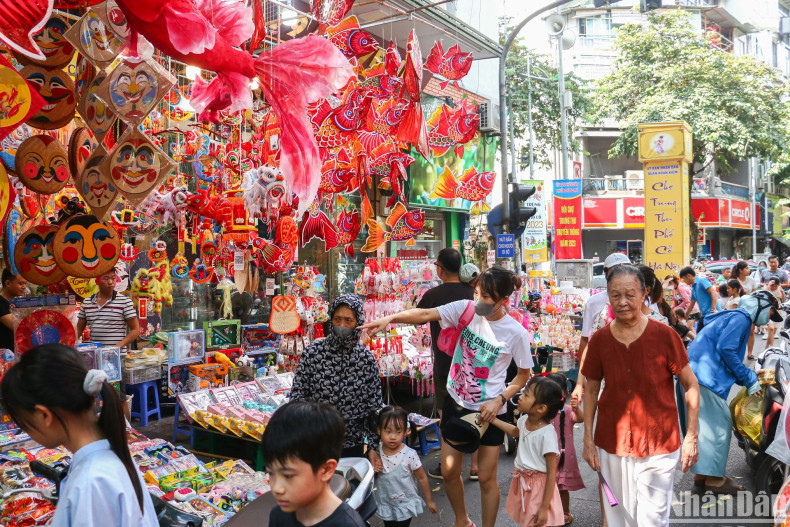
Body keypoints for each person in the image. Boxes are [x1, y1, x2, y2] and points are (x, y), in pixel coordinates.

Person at [361, 266, 533, 527]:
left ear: (504, 301)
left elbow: (523, 375)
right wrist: (391, 318)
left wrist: (500, 399)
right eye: (477, 293)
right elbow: (425, 313)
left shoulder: (516, 333)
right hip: (456, 403)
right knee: (451, 472)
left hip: (490, 412)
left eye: (486, 297)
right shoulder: (466, 309)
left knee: (487, 478)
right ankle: (462, 520)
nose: (478, 301)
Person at [582, 265, 700, 527]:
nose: (622, 302)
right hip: (612, 442)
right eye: (615, 295)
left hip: (659, 441)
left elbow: (690, 385)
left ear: (644, 293)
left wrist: (691, 436)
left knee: (651, 519)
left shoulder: (665, 335)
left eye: (629, 294)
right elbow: (591, 388)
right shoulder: (600, 340)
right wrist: (588, 439)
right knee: (618, 518)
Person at [0, 344, 158, 526]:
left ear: (44, 416)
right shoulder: (108, 460)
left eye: (23, 423)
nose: (25, 431)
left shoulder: (91, 482)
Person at [679, 291, 782, 495]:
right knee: (720, 425)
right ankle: (715, 481)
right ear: (760, 305)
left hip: (692, 375)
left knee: (702, 429)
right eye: (771, 312)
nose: (770, 318)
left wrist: (748, 374)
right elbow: (726, 349)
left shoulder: (730, 315)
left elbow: (723, 354)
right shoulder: (742, 318)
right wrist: (748, 378)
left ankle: (701, 479)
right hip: (704, 378)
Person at [291, 294, 383, 466]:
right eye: (337, 319)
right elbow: (298, 395)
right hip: (315, 443)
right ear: (331, 319)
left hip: (352, 445)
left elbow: (374, 407)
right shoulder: (314, 352)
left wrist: (373, 446)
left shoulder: (366, 359)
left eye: (348, 320)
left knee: (348, 489)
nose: (342, 325)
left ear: (358, 322)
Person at [415, 248, 476, 480]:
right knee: (473, 410)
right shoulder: (472, 293)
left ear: (439, 269)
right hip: (471, 364)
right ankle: (474, 467)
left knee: (445, 413)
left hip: (444, 364)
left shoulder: (433, 295)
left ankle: (447, 465)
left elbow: (417, 316)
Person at [262, 401, 367, 526]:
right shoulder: (279, 515)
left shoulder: (347, 525)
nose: (276, 488)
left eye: (288, 476)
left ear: (326, 470)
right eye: (271, 473)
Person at [490, 376, 565, 527]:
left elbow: (551, 473)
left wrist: (544, 508)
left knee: (536, 521)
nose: (520, 397)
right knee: (527, 521)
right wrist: (492, 420)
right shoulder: (524, 420)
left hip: (539, 488)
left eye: (526, 395)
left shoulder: (547, 434)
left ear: (541, 408)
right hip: (524, 482)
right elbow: (515, 432)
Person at [570, 252, 631, 405]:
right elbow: (586, 342)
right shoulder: (594, 302)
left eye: (624, 269)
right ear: (606, 274)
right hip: (602, 371)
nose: (620, 274)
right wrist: (580, 381)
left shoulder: (638, 300)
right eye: (615, 270)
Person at [374, 406, 438, 526]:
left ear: (405, 432)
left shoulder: (409, 455)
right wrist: (374, 471)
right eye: (388, 431)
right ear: (379, 430)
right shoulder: (376, 453)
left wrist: (429, 501)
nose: (393, 436)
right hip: (386, 504)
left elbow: (422, 477)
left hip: (404, 505)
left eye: (398, 432)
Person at [547, 372, 584, 526]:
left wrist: (577, 409)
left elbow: (580, 419)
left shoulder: (568, 410)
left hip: (564, 455)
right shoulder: (544, 409)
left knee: (562, 487)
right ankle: (549, 512)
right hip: (547, 455)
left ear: (565, 392)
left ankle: (565, 512)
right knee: (547, 486)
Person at [76, 269, 139, 349]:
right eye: (106, 278)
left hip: (117, 356)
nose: (110, 282)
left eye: (113, 278)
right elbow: (79, 330)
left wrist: (117, 347)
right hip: (95, 354)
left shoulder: (124, 302)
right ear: (97, 281)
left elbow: (135, 330)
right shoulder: (87, 302)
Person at [681, 266, 717, 332]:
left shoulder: (701, 281)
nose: (684, 281)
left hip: (712, 315)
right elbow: (692, 303)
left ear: (688, 276)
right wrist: (686, 315)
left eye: (684, 279)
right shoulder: (693, 287)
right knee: (700, 336)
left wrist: (714, 308)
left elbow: (713, 292)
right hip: (704, 315)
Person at [0, 270, 27, 351]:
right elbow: (17, 326)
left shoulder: (13, 303)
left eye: (25, 283)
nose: (24, 287)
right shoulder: (1, 303)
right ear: (8, 283)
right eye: (20, 283)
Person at [763, 278, 785, 346]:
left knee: (773, 330)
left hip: (778, 310)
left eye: (775, 285)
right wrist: (768, 285)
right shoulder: (766, 288)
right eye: (772, 285)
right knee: (771, 328)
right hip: (769, 310)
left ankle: (767, 346)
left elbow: (783, 300)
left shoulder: (780, 289)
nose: (774, 287)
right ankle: (771, 346)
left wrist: (782, 292)